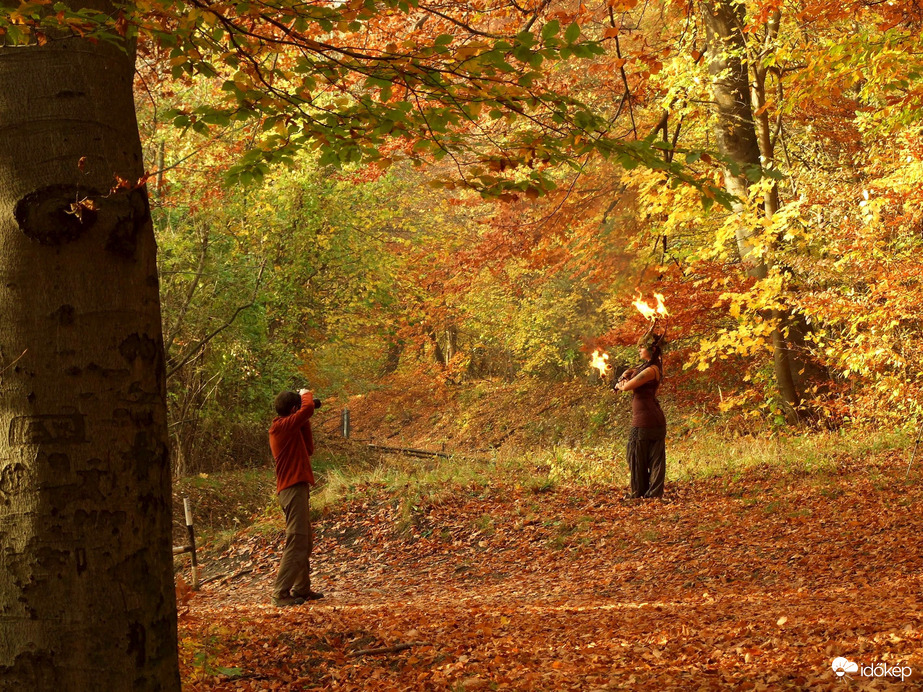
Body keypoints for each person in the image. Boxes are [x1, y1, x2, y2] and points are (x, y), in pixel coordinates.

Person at [268, 388, 324, 607]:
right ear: (293, 410)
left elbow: (308, 449)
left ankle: (301, 588)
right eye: (298, 410)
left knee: (305, 540)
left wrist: (304, 420)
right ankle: (280, 593)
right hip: (291, 490)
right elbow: (308, 407)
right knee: (296, 540)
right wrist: (306, 394)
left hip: (297, 488)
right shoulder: (280, 427)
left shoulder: (291, 428)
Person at [614, 333, 667, 499]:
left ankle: (644, 494)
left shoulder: (651, 370)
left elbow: (627, 386)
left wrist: (621, 384)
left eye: (642, 347)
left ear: (651, 349)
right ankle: (646, 494)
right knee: (641, 456)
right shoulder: (646, 367)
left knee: (640, 455)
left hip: (647, 420)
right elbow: (629, 373)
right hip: (650, 419)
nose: (639, 349)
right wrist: (624, 375)